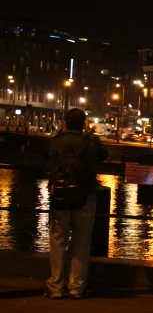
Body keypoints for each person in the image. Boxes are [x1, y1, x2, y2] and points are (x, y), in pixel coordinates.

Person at [43, 108, 108, 299]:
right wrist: (91, 135)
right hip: (85, 197)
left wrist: (59, 134)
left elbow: (44, 152)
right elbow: (104, 155)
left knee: (58, 241)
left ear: (65, 123)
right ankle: (77, 288)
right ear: (84, 123)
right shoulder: (90, 143)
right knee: (81, 243)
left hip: (60, 197)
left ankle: (55, 287)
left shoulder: (56, 142)